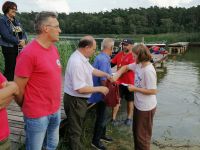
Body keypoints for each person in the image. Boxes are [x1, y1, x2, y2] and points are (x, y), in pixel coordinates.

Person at [14, 11, 62, 150]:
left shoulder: (53, 49)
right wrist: (28, 106)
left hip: (55, 110)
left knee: (52, 145)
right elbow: (18, 89)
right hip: (37, 115)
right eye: (57, 26)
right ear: (46, 28)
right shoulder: (28, 53)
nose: (60, 30)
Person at [63, 35, 111, 150]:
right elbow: (80, 88)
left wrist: (106, 75)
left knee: (77, 127)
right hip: (75, 101)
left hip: (78, 100)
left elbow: (92, 70)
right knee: (76, 131)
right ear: (87, 47)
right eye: (94, 49)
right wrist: (100, 88)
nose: (94, 52)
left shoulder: (82, 58)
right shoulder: (77, 62)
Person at [116, 44, 158, 150]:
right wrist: (117, 74)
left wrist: (135, 89)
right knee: (136, 132)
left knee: (142, 136)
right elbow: (126, 67)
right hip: (139, 105)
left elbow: (153, 91)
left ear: (140, 56)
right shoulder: (139, 65)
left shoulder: (148, 70)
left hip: (146, 107)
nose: (133, 58)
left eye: (134, 56)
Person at [89, 38, 114, 150]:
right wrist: (107, 92)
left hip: (98, 91)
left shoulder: (100, 57)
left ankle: (102, 135)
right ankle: (95, 141)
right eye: (113, 48)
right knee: (101, 116)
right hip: (101, 94)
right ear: (111, 48)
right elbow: (103, 79)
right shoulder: (104, 60)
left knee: (104, 115)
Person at [0, 1, 27, 81]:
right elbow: (6, 35)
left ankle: (13, 87)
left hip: (18, 48)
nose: (15, 10)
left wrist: (24, 40)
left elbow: (23, 32)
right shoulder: (2, 21)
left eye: (15, 9)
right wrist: (19, 41)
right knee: (10, 68)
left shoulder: (16, 21)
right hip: (8, 48)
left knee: (17, 68)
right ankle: (6, 88)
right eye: (12, 8)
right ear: (7, 9)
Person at [111, 39, 135, 126]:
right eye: (124, 44)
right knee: (117, 100)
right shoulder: (119, 54)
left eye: (126, 44)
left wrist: (117, 73)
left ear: (132, 45)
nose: (124, 46)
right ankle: (113, 119)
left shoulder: (133, 56)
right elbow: (111, 64)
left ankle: (129, 118)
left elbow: (128, 69)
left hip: (130, 83)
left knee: (130, 101)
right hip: (119, 82)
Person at [0, 72, 19, 150]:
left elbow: (16, 91)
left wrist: (14, 87)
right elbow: (13, 88)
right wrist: (13, 87)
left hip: (4, 138)